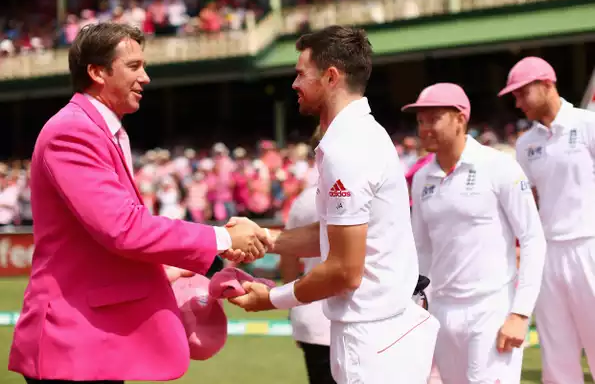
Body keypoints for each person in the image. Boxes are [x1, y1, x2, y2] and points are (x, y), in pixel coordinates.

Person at [8, 23, 270, 384]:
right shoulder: (72, 131)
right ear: (97, 72)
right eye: (133, 66)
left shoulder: (100, 129)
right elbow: (123, 228)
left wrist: (161, 270)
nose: (145, 78)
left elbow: (102, 238)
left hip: (90, 339)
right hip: (73, 340)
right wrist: (222, 239)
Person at [229, 25, 440, 383]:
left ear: (330, 77)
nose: (294, 84)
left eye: (300, 74)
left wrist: (272, 298)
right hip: (375, 331)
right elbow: (331, 234)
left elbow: (344, 269)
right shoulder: (354, 137)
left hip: (374, 336)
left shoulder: (349, 147)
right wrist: (265, 237)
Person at [403, 82, 546, 384]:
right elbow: (421, 249)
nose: (424, 128)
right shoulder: (421, 179)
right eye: (420, 120)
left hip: (491, 310)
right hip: (441, 312)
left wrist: (520, 314)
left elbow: (533, 239)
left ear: (460, 118)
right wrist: (418, 306)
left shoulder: (499, 167)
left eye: (433, 118)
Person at [499, 56, 595, 383]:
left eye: (522, 92)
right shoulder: (526, 145)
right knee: (556, 354)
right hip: (547, 256)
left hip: (590, 246)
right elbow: (529, 205)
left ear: (546, 84)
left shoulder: (588, 125)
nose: (517, 102)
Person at [279, 125, 334, 384]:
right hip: (338, 316)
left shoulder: (304, 199)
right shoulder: (369, 192)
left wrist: (292, 306)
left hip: (315, 317)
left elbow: (288, 259)